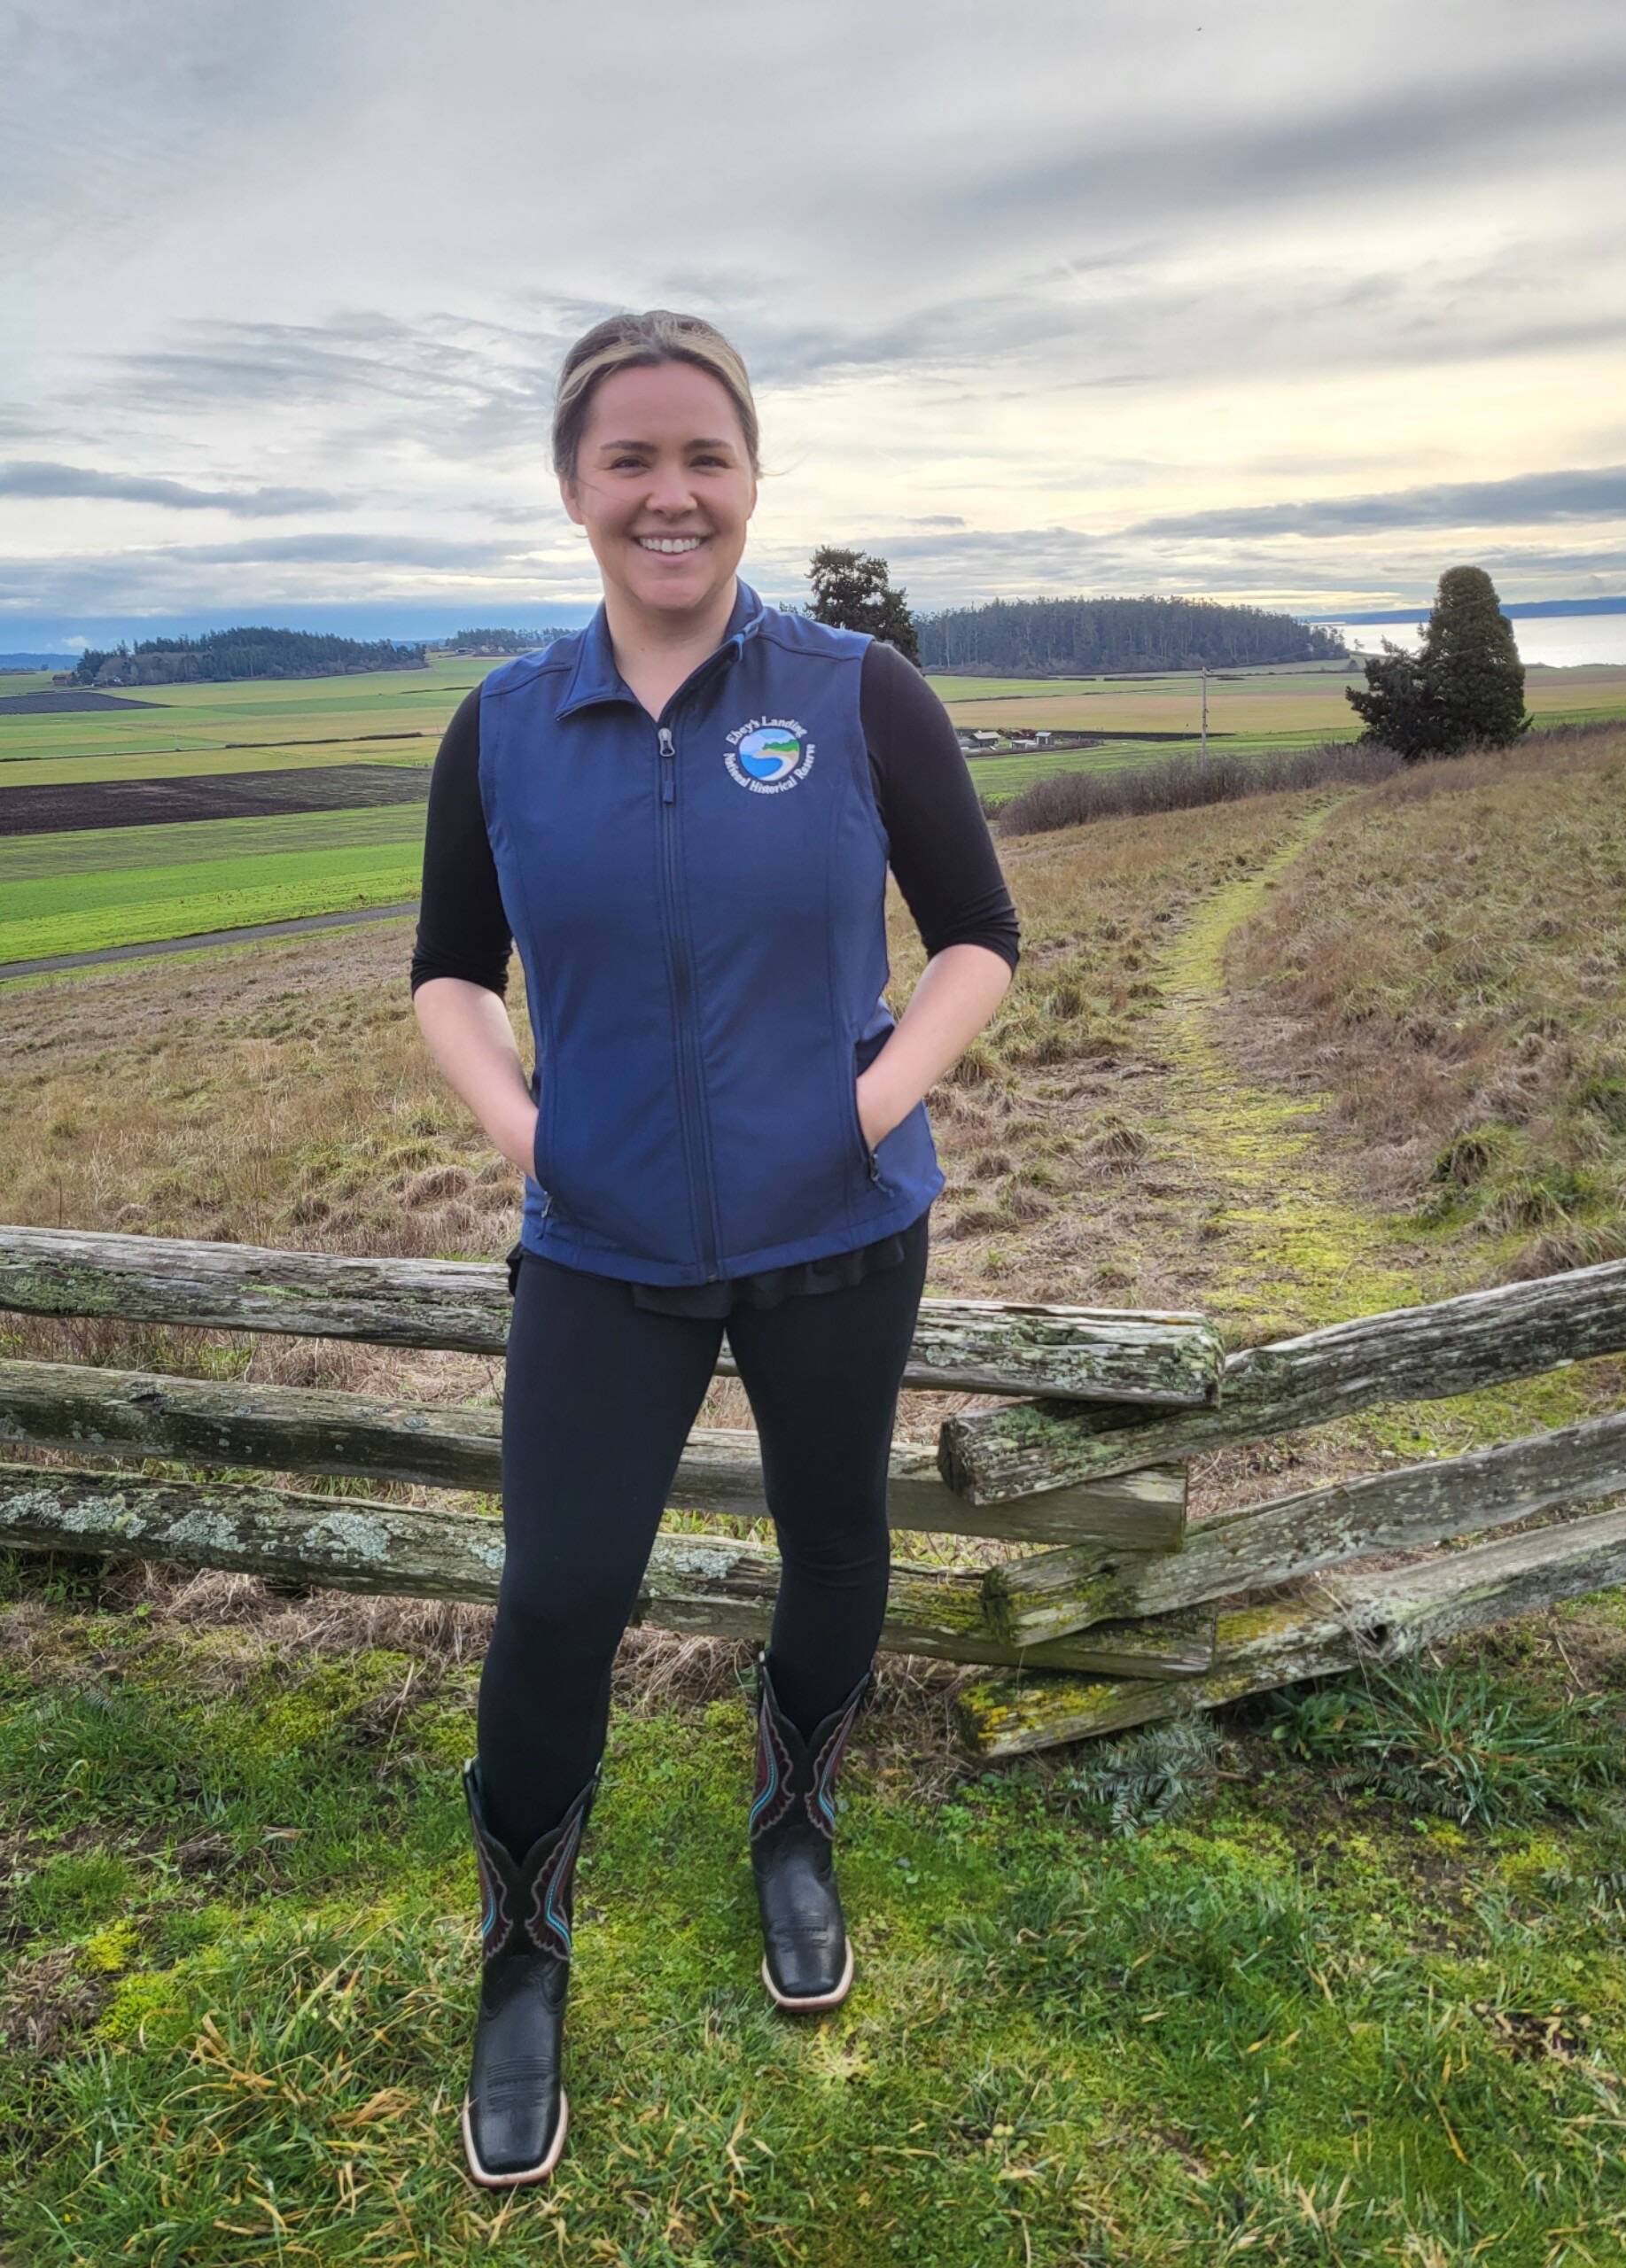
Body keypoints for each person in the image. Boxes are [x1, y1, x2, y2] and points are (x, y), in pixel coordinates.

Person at [409, 307, 1020, 2189]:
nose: (671, 494)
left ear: (752, 479)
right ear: (576, 489)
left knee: (838, 1539)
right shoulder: (507, 720)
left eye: (706, 458)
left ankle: (794, 1815)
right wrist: (536, 1133)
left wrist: (858, 1104)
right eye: (630, 461)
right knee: (557, 1595)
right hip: (600, 1248)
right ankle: (523, 1943)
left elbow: (978, 938)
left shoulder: (854, 693)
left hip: (839, 1230)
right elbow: (446, 972)